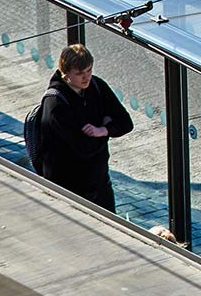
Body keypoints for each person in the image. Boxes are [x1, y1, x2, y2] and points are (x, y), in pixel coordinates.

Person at [37, 44, 134, 212]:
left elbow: (126, 123)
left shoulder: (96, 86)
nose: (86, 77)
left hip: (99, 181)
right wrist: (106, 127)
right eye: (79, 73)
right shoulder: (55, 104)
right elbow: (85, 148)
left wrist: (101, 131)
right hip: (67, 187)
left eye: (89, 70)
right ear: (65, 74)